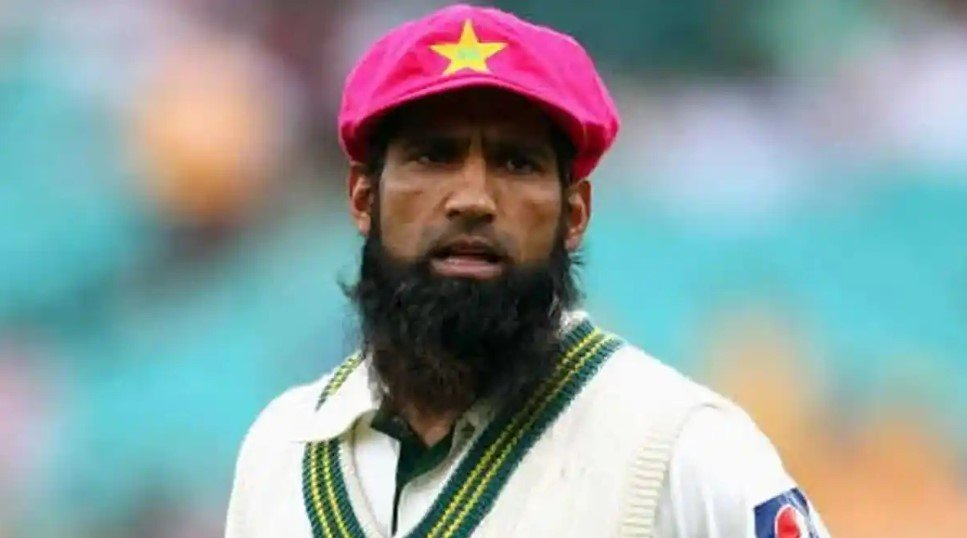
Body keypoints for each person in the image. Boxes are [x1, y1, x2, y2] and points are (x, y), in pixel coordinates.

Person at [225, 4, 829, 537]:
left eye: (516, 163)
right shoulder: (281, 451)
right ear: (363, 198)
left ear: (575, 212)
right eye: (433, 156)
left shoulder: (681, 450)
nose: (472, 199)